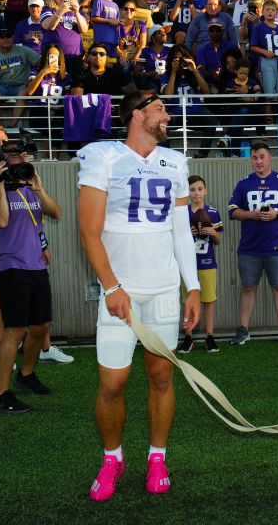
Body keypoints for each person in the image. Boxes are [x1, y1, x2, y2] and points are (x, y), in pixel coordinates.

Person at [77, 89, 202, 502]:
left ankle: (157, 456)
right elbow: (89, 232)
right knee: (112, 382)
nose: (167, 114)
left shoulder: (174, 161)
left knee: (162, 377)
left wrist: (194, 288)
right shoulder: (104, 156)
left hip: (165, 288)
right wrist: (111, 286)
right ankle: (112, 457)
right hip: (121, 292)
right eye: (160, 108)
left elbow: (181, 232)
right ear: (136, 113)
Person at [0, 137, 65, 414]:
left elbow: (55, 213)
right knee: (15, 330)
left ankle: (26, 375)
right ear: (5, 161)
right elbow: (2, 221)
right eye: (18, 157)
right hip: (11, 267)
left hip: (36, 266)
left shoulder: (30, 190)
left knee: (41, 326)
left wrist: (39, 189)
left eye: (25, 157)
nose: (25, 161)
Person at [226, 143, 278, 346]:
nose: (258, 161)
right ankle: (243, 329)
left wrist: (276, 214)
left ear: (269, 158)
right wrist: (252, 214)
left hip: (277, 246)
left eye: (262, 157)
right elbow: (232, 210)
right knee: (248, 287)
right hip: (250, 247)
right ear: (251, 160)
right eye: (255, 157)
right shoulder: (244, 183)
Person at [178, 175, 223, 354]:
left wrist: (212, 232)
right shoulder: (182, 212)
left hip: (207, 262)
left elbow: (218, 240)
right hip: (187, 264)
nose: (196, 193)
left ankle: (209, 336)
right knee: (187, 299)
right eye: (192, 189)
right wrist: (186, 233)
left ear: (205, 191)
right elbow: (177, 238)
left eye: (199, 189)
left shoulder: (212, 212)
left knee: (209, 300)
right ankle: (188, 337)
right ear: (187, 192)